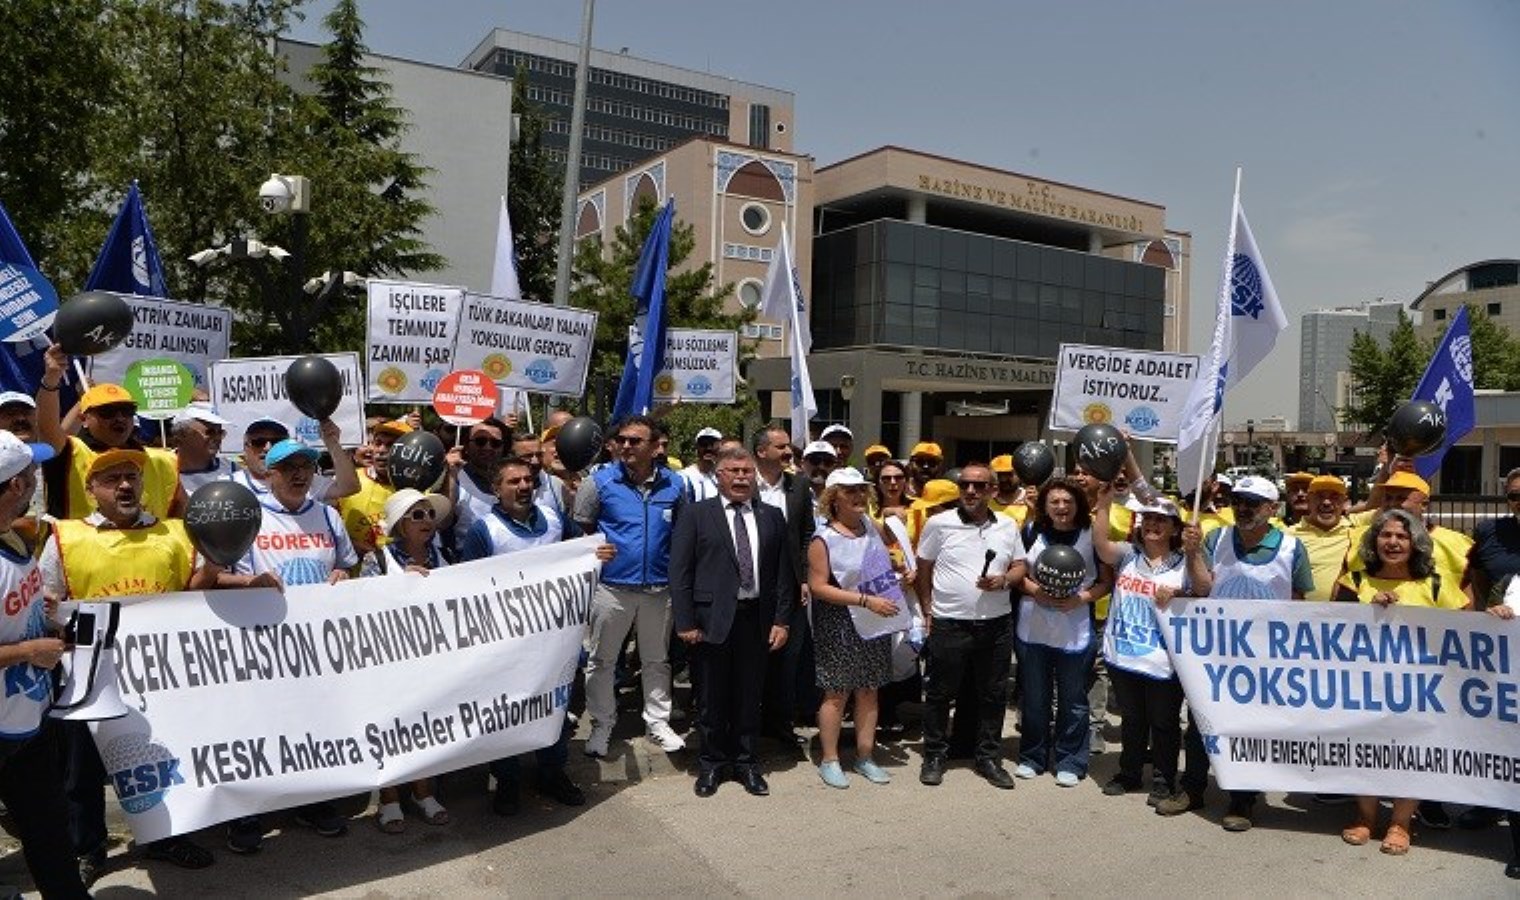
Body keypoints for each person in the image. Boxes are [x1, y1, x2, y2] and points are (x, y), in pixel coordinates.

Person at [41, 448, 224, 883]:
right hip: (89, 675)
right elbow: (47, 601)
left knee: (167, 756)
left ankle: (166, 837)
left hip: (161, 674)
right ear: (91, 490)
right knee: (82, 770)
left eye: (132, 477)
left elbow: (192, 592)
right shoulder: (65, 538)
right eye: (112, 479)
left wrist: (216, 560)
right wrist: (53, 617)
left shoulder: (176, 533)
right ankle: (88, 848)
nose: (125, 485)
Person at [220, 437, 359, 852]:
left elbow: (346, 566)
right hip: (262, 641)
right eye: (289, 467)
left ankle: (312, 801)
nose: (299, 474)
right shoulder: (249, 517)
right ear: (269, 474)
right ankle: (248, 813)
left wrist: (343, 576)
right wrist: (250, 581)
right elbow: (218, 577)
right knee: (259, 728)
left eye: (306, 466)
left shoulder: (328, 515)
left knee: (314, 725)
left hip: (317, 645)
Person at [1161, 475, 1313, 831]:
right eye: (1238, 501)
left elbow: (1298, 602)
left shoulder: (1292, 548)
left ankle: (1243, 798)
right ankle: (1193, 788)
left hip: (1264, 659)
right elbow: (1203, 588)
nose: (1243, 508)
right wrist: (1193, 553)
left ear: (1272, 509)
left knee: (1250, 728)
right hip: (1216, 654)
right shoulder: (1216, 538)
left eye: (1252, 502)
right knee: (1201, 723)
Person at [458, 457, 602, 814]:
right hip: (503, 644)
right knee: (504, 713)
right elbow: (466, 587)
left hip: (551, 641)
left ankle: (552, 773)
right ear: (496, 489)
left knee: (553, 706)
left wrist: (596, 553)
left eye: (528, 480)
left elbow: (579, 552)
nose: (524, 486)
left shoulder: (554, 519)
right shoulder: (484, 530)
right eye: (514, 482)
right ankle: (507, 781)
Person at [1332, 509, 1470, 855]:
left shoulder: (1436, 583)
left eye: (1402, 536)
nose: (1393, 542)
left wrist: (1499, 617)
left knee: (1413, 754)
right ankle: (1366, 817)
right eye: (1386, 535)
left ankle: (1401, 822)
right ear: (1374, 540)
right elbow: (1332, 629)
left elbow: (1466, 633)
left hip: (1422, 693)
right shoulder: (1354, 581)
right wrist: (1368, 611)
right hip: (1364, 690)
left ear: (1415, 543)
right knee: (1365, 752)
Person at [670, 447, 792, 797]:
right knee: (711, 697)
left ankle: (746, 763)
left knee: (749, 696)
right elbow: (680, 572)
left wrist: (782, 620)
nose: (741, 477)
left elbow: (784, 573)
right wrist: (685, 621)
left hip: (757, 620)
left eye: (747, 471)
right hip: (710, 621)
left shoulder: (771, 516)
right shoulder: (696, 514)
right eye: (733, 471)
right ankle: (711, 764)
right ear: (719, 476)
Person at [0, 430, 89, 898]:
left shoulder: (14, 537)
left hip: (27, 720)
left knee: (50, 834)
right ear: (17, 484)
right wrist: (27, 652)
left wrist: (43, 607)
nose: (39, 478)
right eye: (32, 471)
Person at [574, 415, 687, 757]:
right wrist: (594, 550)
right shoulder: (598, 482)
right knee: (602, 660)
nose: (625, 446)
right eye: (622, 439)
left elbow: (683, 534)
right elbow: (581, 531)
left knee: (656, 660)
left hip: (659, 590)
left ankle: (657, 722)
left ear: (654, 447)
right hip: (612, 588)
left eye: (635, 441)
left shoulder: (676, 485)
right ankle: (602, 724)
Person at [916, 463, 1027, 789]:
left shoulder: (1007, 525)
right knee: (940, 693)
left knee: (992, 694)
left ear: (992, 490)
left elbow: (1020, 565)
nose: (970, 491)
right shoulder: (939, 523)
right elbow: (924, 566)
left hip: (996, 624)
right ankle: (934, 755)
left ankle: (988, 757)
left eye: (979, 486)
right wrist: (927, 608)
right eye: (965, 484)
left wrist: (1004, 580)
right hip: (949, 621)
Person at [1092, 488, 1203, 805]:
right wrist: (1103, 504)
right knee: (1132, 719)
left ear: (1174, 527)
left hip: (1165, 660)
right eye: (1148, 519)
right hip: (1124, 656)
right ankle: (1129, 773)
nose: (1152, 525)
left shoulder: (1183, 563)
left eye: (1161, 520)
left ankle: (1163, 779)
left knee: (1164, 722)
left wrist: (1181, 590)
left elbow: (1204, 589)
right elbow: (1101, 546)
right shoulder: (1128, 554)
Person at [360, 489, 453, 833]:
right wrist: (400, 586)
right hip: (389, 661)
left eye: (429, 514)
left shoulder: (444, 555)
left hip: (432, 658)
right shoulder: (378, 560)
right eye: (417, 515)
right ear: (400, 524)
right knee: (391, 728)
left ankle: (423, 793)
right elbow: (362, 605)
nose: (426, 520)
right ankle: (389, 799)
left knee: (426, 725)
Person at [1014, 477, 1113, 787]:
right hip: (1034, 626)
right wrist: (1036, 591)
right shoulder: (1031, 531)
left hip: (1075, 626)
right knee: (1034, 697)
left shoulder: (1090, 535)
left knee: (1073, 698)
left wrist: (1080, 598)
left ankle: (1071, 759)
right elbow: (1017, 574)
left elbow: (1106, 581)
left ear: (1078, 504)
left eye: (1068, 501)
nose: (1061, 507)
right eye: (1054, 501)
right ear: (1044, 505)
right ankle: (1032, 756)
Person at [806, 467, 901, 789]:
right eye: (850, 491)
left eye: (861, 489)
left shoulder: (870, 527)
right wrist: (864, 600)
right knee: (836, 692)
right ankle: (830, 759)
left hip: (874, 617)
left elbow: (888, 556)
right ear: (834, 499)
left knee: (869, 690)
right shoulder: (823, 539)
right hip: (839, 621)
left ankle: (865, 756)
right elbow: (818, 587)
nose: (859, 495)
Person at [36, 366, 187, 521]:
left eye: (127, 411)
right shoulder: (70, 452)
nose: (119, 418)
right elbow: (47, 428)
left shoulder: (163, 460)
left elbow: (183, 518)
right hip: (77, 537)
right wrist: (51, 379)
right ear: (84, 419)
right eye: (107, 412)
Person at [750, 425, 815, 747]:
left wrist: (804, 578)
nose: (789, 452)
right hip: (751, 585)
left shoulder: (799, 486)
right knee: (753, 657)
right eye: (781, 447)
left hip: (790, 587)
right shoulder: (743, 483)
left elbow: (807, 534)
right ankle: (749, 722)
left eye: (789, 446)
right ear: (761, 451)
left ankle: (780, 723)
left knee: (787, 658)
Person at [231, 418, 360, 503]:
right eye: (259, 442)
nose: (268, 447)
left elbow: (349, 487)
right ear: (245, 448)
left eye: (277, 441)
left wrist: (332, 443)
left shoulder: (305, 481)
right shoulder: (230, 485)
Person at [337, 418, 412, 557]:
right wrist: (350, 544)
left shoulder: (416, 486)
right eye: (378, 443)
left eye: (391, 445)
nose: (382, 450)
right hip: (354, 569)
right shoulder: (349, 481)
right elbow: (327, 527)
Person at [443, 416, 511, 553]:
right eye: (480, 441)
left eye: (495, 443)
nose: (488, 447)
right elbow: (443, 522)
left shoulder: (516, 479)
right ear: (466, 445)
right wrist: (450, 476)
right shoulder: (455, 477)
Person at [1288, 475, 1353, 601]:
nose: (1326, 502)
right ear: (1308, 500)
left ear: (1344, 502)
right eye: (1319, 496)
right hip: (1298, 612)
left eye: (1334, 497)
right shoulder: (1288, 536)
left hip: (1347, 613)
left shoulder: (1357, 533)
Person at [172, 402, 239, 494]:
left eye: (220, 432)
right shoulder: (161, 471)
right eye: (210, 432)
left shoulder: (233, 471)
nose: (217, 438)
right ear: (181, 435)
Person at [680, 427, 723, 502]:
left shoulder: (723, 476)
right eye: (704, 444)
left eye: (713, 444)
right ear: (697, 447)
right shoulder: (684, 476)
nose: (708, 448)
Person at [988, 454, 1030, 524]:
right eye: (999, 475)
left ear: (1019, 474)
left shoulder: (1029, 499)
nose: (1003, 479)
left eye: (1008, 474)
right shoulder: (986, 501)